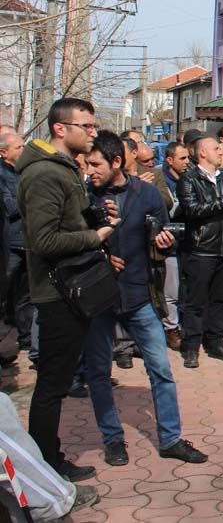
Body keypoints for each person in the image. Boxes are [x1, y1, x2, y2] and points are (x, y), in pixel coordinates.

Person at [82, 131, 207, 467]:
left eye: (95, 164)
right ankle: (113, 439)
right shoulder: (82, 196)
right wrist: (100, 254)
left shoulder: (148, 193)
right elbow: (72, 244)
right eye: (86, 163)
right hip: (97, 300)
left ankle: (170, 438)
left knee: (161, 369)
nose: (89, 169)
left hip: (138, 296)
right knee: (98, 372)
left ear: (117, 162)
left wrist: (164, 242)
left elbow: (162, 235)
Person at [17, 97, 110, 481]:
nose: (93, 132)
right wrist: (94, 236)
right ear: (61, 129)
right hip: (58, 292)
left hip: (71, 288)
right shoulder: (44, 174)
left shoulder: (65, 170)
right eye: (85, 126)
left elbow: (65, 222)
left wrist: (93, 218)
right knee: (53, 384)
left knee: (57, 379)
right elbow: (43, 241)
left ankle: (47, 459)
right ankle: (45, 467)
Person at [176, 135, 223, 367]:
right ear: (202, 153)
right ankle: (191, 346)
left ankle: (215, 342)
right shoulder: (188, 179)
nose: (221, 151)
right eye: (216, 148)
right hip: (201, 249)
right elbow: (193, 210)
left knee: (219, 300)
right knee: (196, 301)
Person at [153, 141, 190, 349]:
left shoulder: (190, 179)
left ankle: (184, 325)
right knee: (171, 291)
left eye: (188, 158)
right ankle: (171, 328)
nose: (187, 162)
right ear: (169, 160)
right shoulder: (159, 180)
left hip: (188, 242)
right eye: (182, 158)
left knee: (184, 289)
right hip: (167, 244)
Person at [0, 133, 30, 351]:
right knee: (5, 293)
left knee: (26, 295)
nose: (23, 150)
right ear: (4, 152)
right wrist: (32, 196)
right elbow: (10, 208)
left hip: (28, 241)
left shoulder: (28, 172)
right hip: (9, 244)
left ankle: (26, 337)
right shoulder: (2, 175)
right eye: (18, 147)